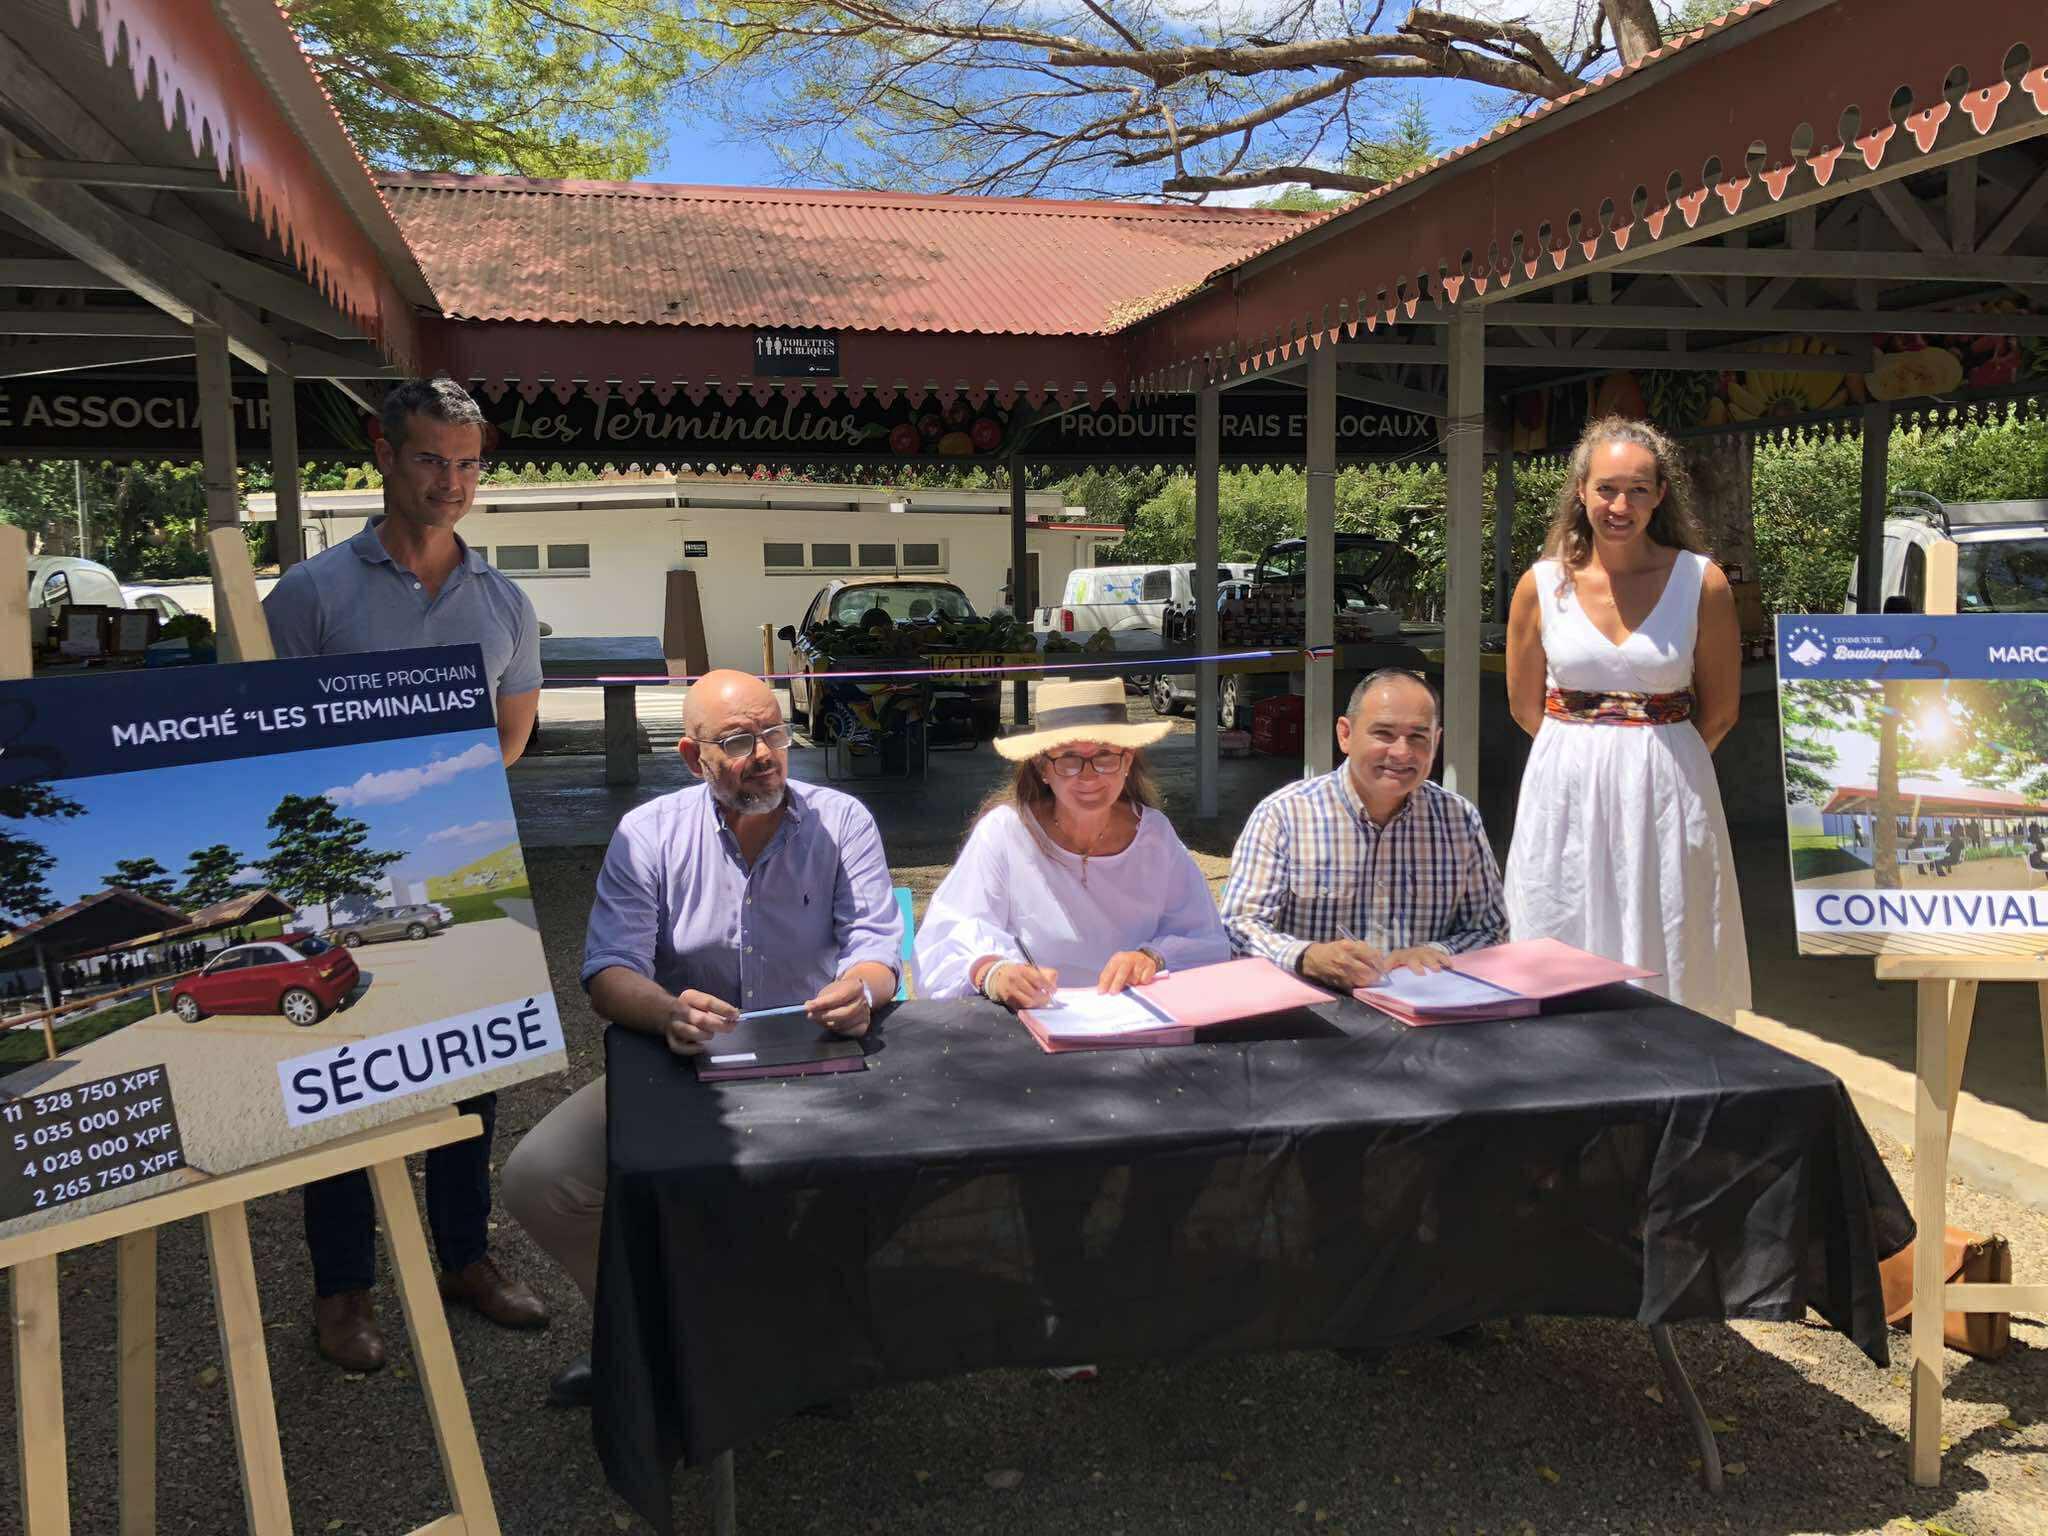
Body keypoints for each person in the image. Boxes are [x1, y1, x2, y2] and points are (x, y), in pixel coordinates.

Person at [502, 669, 902, 1408]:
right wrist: (665, 1012)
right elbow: (607, 971)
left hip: (811, 1058)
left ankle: (798, 1339)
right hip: (684, 1061)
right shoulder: (649, 833)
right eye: (739, 740)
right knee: (539, 1176)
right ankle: (654, 1336)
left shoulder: (841, 820)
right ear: (693, 758)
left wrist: (864, 989)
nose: (765, 754)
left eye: (775, 732)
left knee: (892, 1171)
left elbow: (877, 947)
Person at [264, 375, 547, 1374]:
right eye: (431, 458)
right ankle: (342, 1289)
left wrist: (430, 800)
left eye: (468, 464)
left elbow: (512, 736)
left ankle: (463, 1257)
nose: (451, 482)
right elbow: (270, 742)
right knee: (342, 1078)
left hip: (461, 861)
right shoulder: (308, 595)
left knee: (472, 1070)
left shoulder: (504, 599)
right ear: (383, 453)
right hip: (334, 873)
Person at [1502, 415, 1749, 1022]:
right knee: (1563, 923)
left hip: (1668, 793)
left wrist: (1655, 766)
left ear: (1661, 495)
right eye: (1607, 488)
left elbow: (1721, 711)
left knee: (1671, 925)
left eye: (1638, 489)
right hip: (1565, 793)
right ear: (1581, 490)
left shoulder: (1702, 582)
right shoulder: (1542, 586)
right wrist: (1591, 760)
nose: (1621, 504)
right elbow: (1523, 705)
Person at [914, 677, 1230, 1004]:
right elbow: (944, 942)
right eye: (1068, 758)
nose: (1089, 775)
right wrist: (993, 972)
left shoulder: (1155, 836)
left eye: (1105, 755)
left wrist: (1152, 957)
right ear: (1042, 768)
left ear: (1127, 760)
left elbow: (1205, 939)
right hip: (1029, 1028)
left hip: (1138, 1026)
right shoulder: (1005, 833)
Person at [1219, 669, 1508, 986]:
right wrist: (1307, 957)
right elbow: (1237, 928)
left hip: (1425, 1007)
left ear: (1436, 741)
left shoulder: (1458, 820)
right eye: (1383, 733)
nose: (1401, 752)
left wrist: (1435, 952)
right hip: (1317, 1013)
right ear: (1345, 734)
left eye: (1418, 736)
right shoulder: (1285, 816)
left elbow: (1491, 929)